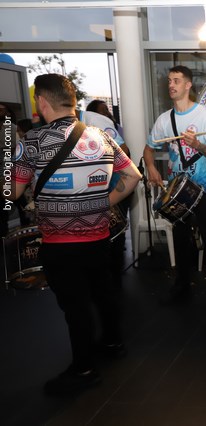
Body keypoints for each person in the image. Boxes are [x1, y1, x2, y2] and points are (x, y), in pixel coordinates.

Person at [10, 73, 142, 395]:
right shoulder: (101, 136)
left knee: (75, 306)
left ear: (42, 102)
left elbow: (11, 193)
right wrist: (101, 203)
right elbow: (133, 176)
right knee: (103, 293)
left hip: (60, 244)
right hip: (99, 238)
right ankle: (113, 343)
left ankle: (83, 369)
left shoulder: (34, 141)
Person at [143, 65, 206, 304]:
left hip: (201, 188)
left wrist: (198, 145)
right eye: (169, 80)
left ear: (188, 85)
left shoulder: (204, 116)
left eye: (176, 81)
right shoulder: (164, 119)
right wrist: (151, 167)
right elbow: (149, 149)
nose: (171, 85)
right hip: (176, 189)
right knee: (180, 238)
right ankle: (182, 283)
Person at [85, 100, 132, 290]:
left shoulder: (112, 127)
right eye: (102, 110)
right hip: (100, 189)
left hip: (118, 187)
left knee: (117, 230)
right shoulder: (90, 128)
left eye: (107, 110)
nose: (106, 113)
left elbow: (124, 151)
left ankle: (115, 274)